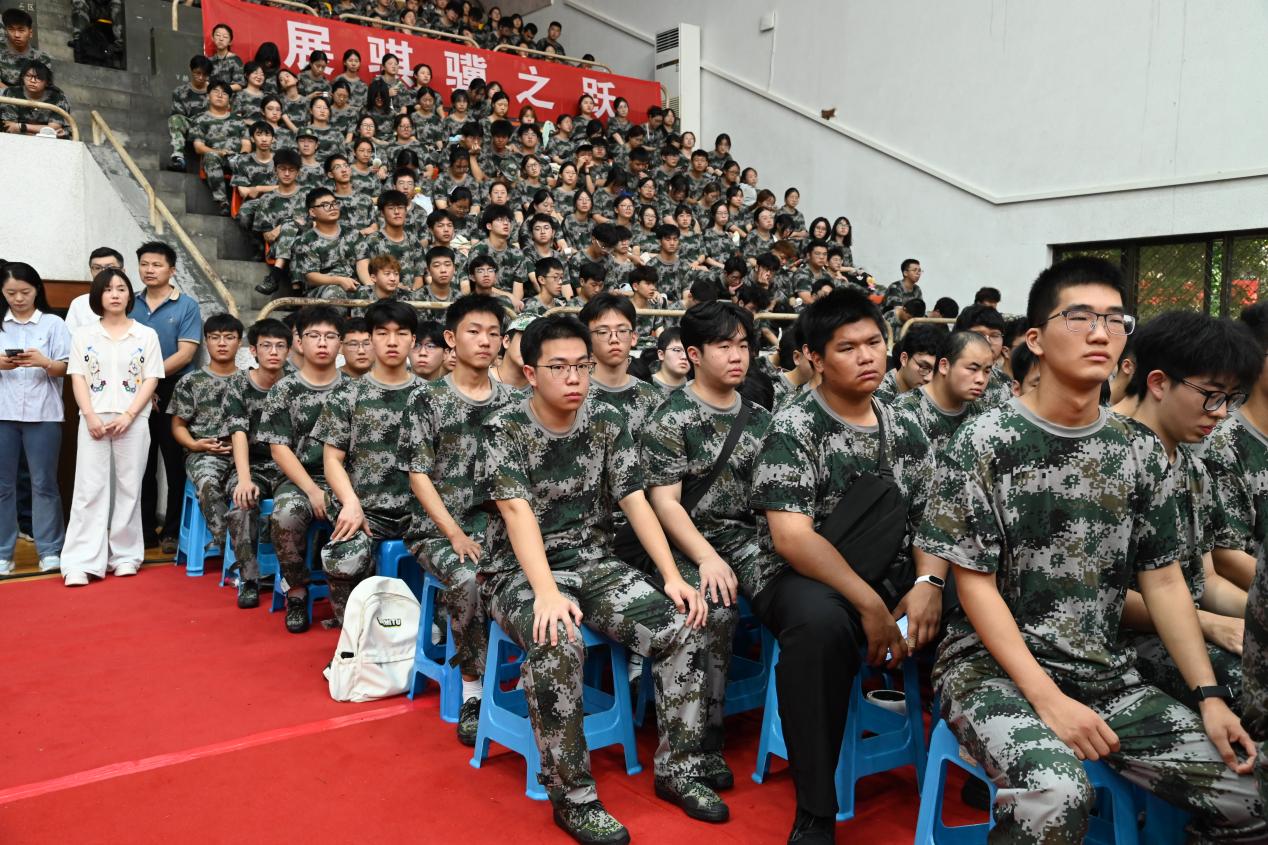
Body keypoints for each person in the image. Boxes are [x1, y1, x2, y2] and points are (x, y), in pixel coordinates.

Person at [917, 257, 1265, 844]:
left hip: (1103, 669)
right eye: (1079, 317)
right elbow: (974, 584)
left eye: (1115, 319)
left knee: (1254, 791)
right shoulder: (983, 441)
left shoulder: (1139, 451)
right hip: (989, 670)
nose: (1100, 332)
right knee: (1055, 794)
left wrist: (1207, 696)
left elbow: (1164, 581)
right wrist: (1048, 700)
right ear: (1035, 340)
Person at [475, 314, 725, 843]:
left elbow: (635, 500)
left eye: (582, 366)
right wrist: (546, 593)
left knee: (684, 623)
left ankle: (680, 769)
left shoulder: (607, 419)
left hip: (592, 563)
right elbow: (517, 513)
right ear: (530, 372)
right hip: (517, 571)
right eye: (559, 367)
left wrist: (670, 577)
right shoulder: (503, 429)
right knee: (556, 640)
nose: (574, 378)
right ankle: (574, 798)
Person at [749, 287, 936, 843]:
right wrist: (871, 605)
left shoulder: (906, 428)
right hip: (802, 575)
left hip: (889, 569)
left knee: (977, 600)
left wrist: (927, 583)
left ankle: (983, 761)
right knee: (820, 628)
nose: (867, 357)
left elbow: (933, 521)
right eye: (847, 348)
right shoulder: (794, 427)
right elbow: (792, 540)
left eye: (874, 343)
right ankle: (816, 808)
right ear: (814, 357)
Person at [644, 302, 774, 788]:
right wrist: (707, 557)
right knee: (714, 607)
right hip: (686, 543)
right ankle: (702, 741)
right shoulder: (670, 418)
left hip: (747, 538)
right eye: (724, 346)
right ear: (695, 354)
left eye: (743, 345)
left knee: (802, 593)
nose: (737, 356)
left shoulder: (761, 419)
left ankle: (793, 724)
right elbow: (665, 504)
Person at [1115, 310, 1259, 710]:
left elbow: (1204, 580)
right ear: (1159, 383)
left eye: (1230, 399)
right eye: (1212, 395)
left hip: (1185, 627)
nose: (1221, 412)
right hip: (1125, 640)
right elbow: (1094, 596)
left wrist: (1255, 618)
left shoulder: (1192, 468)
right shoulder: (1105, 459)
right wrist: (1207, 623)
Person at [402, 295, 511, 745]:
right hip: (437, 531)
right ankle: (472, 689)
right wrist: (455, 534)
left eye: (493, 333)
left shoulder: (513, 401)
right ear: (451, 338)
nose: (485, 341)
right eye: (474, 331)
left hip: (499, 528)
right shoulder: (426, 399)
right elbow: (418, 476)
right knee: (468, 578)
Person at [314, 300, 419, 623]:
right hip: (366, 510)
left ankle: (427, 625)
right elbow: (332, 460)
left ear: (413, 340)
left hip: (419, 513)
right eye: (382, 333)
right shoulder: (347, 395)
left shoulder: (430, 396)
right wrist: (350, 503)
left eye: (401, 333)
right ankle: (354, 633)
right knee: (342, 559)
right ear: (371, 338)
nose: (392, 341)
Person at [61, 269, 164, 585]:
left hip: (133, 419)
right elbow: (78, 377)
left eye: (121, 288)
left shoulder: (146, 335)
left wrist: (130, 415)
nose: (115, 294)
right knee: (88, 489)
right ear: (98, 296)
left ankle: (125, 556)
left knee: (129, 488)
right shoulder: (84, 335)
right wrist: (90, 415)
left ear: (130, 295)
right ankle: (81, 561)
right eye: (108, 289)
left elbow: (151, 378)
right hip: (94, 419)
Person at [257, 305, 346, 632]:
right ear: (299, 341)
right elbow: (278, 449)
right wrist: (312, 490)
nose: (322, 343)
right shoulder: (285, 389)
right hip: (298, 480)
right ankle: (296, 591)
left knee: (366, 516)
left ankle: (351, 600)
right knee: (285, 516)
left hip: (346, 481)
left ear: (340, 343)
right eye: (314, 335)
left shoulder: (354, 389)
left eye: (330, 336)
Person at [132, 242, 202, 555]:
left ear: (172, 270)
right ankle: (145, 530)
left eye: (157, 265)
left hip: (174, 387)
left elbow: (185, 354)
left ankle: (172, 531)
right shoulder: (130, 303)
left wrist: (152, 380)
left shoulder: (187, 305)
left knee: (174, 463)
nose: (149, 270)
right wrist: (142, 385)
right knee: (141, 463)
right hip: (134, 388)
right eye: (144, 264)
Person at [0, 262, 69, 574]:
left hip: (44, 414)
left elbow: (67, 368)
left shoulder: (53, 324)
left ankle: (50, 550)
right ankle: (3, 553)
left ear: (37, 290)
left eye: (25, 292)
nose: (18, 298)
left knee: (44, 483)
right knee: (2, 486)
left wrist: (44, 362)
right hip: (3, 413)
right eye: (11, 293)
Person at [222, 318, 292, 608]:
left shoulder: (295, 383)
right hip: (252, 465)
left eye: (280, 346)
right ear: (253, 350)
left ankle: (294, 579)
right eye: (266, 346)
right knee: (243, 503)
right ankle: (249, 579)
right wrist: (244, 478)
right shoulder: (239, 384)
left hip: (289, 467)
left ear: (289, 350)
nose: (273, 352)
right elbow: (238, 433)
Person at [168, 314, 243, 567]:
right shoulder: (191, 382)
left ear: (239, 342)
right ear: (206, 341)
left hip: (243, 455)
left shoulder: (249, 381)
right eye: (215, 337)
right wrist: (194, 445)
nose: (222, 343)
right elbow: (178, 426)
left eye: (229, 337)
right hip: (203, 453)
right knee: (209, 483)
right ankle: (229, 547)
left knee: (248, 489)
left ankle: (246, 548)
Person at [893, 331, 993, 452]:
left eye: (987, 371)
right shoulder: (905, 411)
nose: (981, 379)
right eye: (973, 369)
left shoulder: (982, 411)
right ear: (944, 366)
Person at [580, 293, 663, 433]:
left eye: (622, 330)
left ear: (634, 337)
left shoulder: (652, 398)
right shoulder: (576, 395)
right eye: (603, 332)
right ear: (587, 339)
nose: (614, 339)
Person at [191, 81, 249, 215]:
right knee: (210, 157)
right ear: (208, 96)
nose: (220, 95)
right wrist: (219, 152)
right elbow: (198, 147)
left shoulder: (238, 120)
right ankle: (223, 202)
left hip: (237, 158)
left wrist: (241, 156)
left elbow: (246, 144)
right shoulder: (200, 119)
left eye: (224, 93)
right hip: (217, 158)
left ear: (229, 100)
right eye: (216, 91)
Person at [292, 188, 360, 299]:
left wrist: (369, 286)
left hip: (352, 284)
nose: (332, 207)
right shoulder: (305, 240)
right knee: (334, 292)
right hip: (321, 290)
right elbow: (311, 277)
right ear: (312, 212)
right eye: (325, 205)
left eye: (334, 203)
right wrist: (339, 280)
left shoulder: (353, 233)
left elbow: (363, 264)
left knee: (369, 291)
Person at [954, 303, 1013, 408]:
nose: (987, 341)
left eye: (995, 335)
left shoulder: (1006, 382)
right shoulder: (947, 377)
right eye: (979, 334)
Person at [0, 60, 72, 138]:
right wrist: (38, 130)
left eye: (38, 78)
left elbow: (53, 129)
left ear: (47, 82)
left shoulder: (58, 97)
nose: (32, 81)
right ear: (22, 77)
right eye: (28, 76)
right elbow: (10, 127)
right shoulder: (11, 93)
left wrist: (22, 127)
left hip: (49, 140)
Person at [873, 322, 941, 404]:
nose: (929, 378)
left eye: (936, 370)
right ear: (904, 359)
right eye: (924, 367)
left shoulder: (931, 392)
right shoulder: (881, 394)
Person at [167, 55, 212, 171]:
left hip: (209, 127)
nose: (201, 77)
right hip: (190, 126)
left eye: (204, 75)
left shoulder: (214, 91)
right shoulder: (180, 92)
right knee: (175, 119)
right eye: (198, 73)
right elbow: (179, 115)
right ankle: (178, 158)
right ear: (191, 70)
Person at [65, 247, 123, 332]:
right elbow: (70, 337)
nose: (103, 272)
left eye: (110, 267)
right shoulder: (79, 303)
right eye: (97, 268)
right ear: (91, 271)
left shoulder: (130, 300)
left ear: (123, 271)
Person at [0, 9, 51, 87]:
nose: (16, 35)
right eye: (11, 29)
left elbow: (41, 86)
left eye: (21, 30)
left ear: (30, 33)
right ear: (6, 31)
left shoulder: (41, 59)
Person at [491, 314, 532, 394]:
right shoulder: (480, 379)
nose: (530, 346)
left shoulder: (543, 388)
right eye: (525, 339)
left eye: (538, 342)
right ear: (506, 341)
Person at [652, 327, 690, 393]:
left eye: (689, 351)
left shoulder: (696, 387)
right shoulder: (645, 387)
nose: (684, 357)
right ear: (661, 354)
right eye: (677, 350)